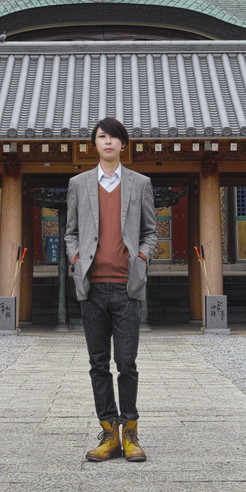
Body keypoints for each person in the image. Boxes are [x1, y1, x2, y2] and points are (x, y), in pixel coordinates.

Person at [64, 117, 158, 462]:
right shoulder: (79, 183)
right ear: (95, 143)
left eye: (114, 137)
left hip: (125, 287)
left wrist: (143, 257)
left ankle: (130, 432)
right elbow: (70, 230)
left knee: (127, 362)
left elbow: (151, 230)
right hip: (91, 286)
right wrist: (75, 259)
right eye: (102, 137)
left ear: (123, 145)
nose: (107, 142)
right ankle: (109, 433)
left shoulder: (140, 183)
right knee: (98, 363)